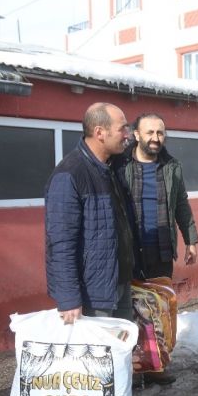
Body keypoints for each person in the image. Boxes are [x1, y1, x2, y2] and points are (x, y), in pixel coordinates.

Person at [122, 113, 198, 385]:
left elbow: (181, 203)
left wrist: (190, 239)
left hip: (161, 249)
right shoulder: (120, 164)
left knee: (158, 310)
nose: (156, 138)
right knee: (129, 311)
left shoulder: (171, 166)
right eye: (150, 132)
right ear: (136, 134)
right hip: (128, 252)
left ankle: (155, 367)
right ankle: (129, 368)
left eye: (160, 133)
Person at [45, 102, 138, 325]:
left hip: (120, 283)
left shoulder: (111, 167)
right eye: (122, 128)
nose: (127, 135)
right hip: (95, 296)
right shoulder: (70, 175)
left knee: (122, 353)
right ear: (99, 133)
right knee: (100, 357)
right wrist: (68, 298)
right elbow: (60, 242)